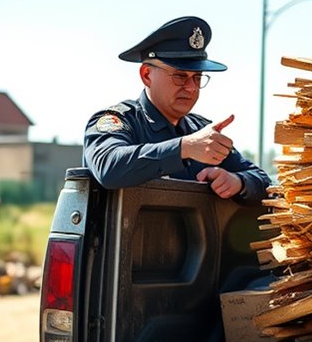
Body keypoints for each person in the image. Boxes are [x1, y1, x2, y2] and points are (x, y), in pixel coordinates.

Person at [83, 16, 270, 203]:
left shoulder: (202, 131)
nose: (191, 87)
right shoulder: (119, 121)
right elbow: (108, 167)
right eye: (180, 76)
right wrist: (184, 148)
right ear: (147, 75)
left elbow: (264, 182)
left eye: (197, 77)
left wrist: (238, 182)